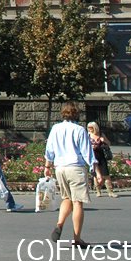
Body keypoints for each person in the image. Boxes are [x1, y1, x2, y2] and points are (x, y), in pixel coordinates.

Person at [44, 101, 96, 248]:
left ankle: (60, 223)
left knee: (66, 198)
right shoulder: (79, 130)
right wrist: (95, 169)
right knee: (77, 202)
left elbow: (50, 149)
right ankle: (77, 238)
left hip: (60, 168)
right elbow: (87, 152)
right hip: (75, 168)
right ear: (76, 113)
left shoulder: (55, 128)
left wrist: (47, 166)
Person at [86, 122, 116, 198]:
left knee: (106, 174)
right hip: (92, 156)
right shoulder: (88, 135)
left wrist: (104, 140)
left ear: (95, 127)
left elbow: (109, 143)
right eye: (88, 127)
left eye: (91, 128)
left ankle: (110, 191)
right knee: (95, 175)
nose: (89, 129)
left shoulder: (101, 134)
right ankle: (98, 191)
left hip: (101, 155)